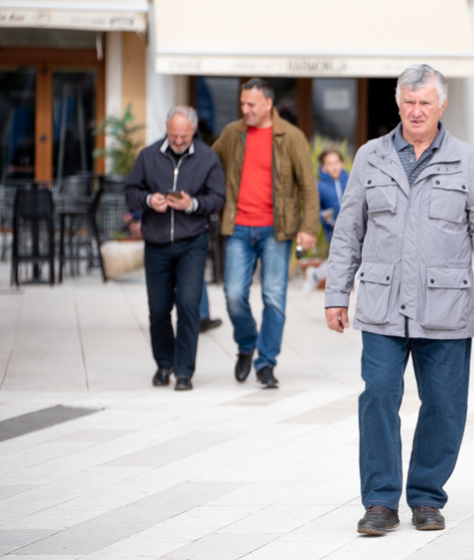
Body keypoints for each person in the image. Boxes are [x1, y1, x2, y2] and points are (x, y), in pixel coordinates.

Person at [324, 64, 474, 536]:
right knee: (379, 397)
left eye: (425, 102)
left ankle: (427, 497)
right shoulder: (371, 156)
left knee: (445, 405)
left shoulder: (467, 161)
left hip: (446, 308)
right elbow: (349, 229)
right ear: (398, 104)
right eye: (409, 102)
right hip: (383, 305)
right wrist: (336, 292)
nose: (416, 111)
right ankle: (380, 502)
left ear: (441, 105)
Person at [213, 78, 319, 389]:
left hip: (277, 231)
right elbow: (207, 162)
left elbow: (308, 187)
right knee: (234, 296)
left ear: (268, 103)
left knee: (274, 298)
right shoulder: (233, 134)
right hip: (238, 228)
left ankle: (266, 362)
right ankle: (247, 344)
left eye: (251, 105)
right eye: (242, 104)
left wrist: (308, 228)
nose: (245, 109)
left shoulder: (292, 137)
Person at [125, 106, 225, 391]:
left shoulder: (207, 158)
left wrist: (191, 204)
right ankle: (163, 364)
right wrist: (148, 200)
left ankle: (184, 372)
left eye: (183, 135)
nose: (178, 140)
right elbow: (130, 192)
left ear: (193, 131)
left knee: (189, 306)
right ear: (167, 130)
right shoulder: (148, 155)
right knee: (158, 309)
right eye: (173, 135)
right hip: (156, 243)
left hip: (192, 242)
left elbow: (218, 199)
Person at [304, 148, 349, 294]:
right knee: (341, 261)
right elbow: (313, 209)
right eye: (330, 164)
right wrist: (322, 215)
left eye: (337, 162)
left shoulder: (351, 180)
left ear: (342, 163)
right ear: (323, 167)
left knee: (345, 261)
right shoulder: (320, 188)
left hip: (356, 229)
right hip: (334, 231)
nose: (334, 167)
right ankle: (315, 275)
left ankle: (315, 275)